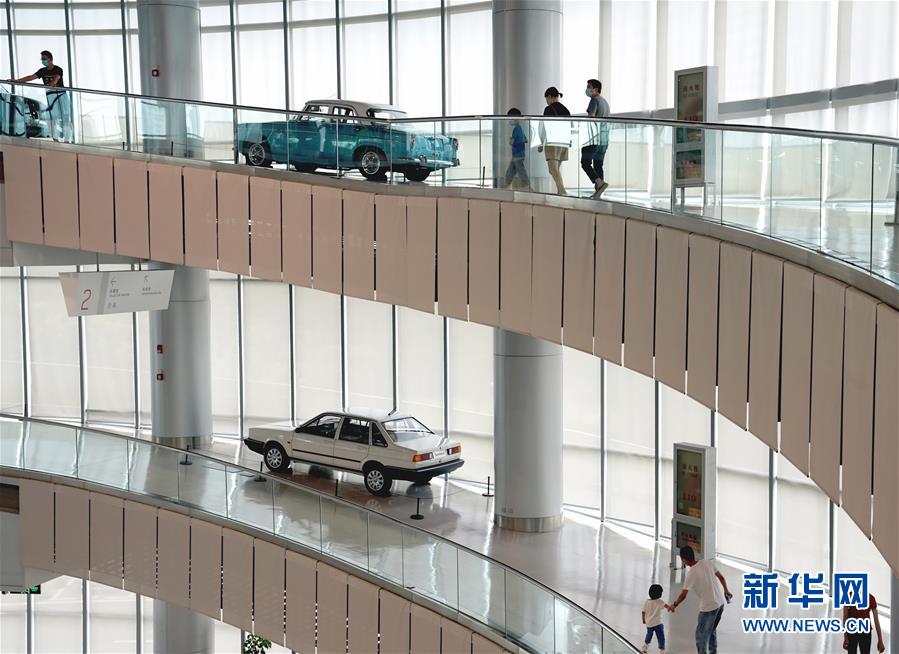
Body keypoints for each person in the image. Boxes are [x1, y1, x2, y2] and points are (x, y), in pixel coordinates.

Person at [669, 546, 733, 654]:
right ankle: (713, 651)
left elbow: (683, 595)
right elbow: (721, 577)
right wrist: (726, 590)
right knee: (711, 630)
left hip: (708, 608)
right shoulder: (707, 562)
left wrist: (674, 605)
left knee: (701, 637)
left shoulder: (691, 573)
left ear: (683, 559)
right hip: (720, 604)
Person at [9, 51, 71, 142]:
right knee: (54, 116)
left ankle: (67, 138)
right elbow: (31, 77)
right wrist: (17, 81)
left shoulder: (58, 69)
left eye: (44, 59)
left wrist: (53, 82)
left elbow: (57, 77)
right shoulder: (42, 71)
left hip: (61, 94)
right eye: (42, 59)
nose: (43, 61)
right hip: (51, 95)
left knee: (65, 115)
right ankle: (55, 138)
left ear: (50, 59)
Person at [537, 86, 571, 195]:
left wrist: (541, 142)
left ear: (550, 96)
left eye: (546, 98)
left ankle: (562, 190)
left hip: (553, 142)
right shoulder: (566, 109)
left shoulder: (549, 109)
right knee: (555, 169)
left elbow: (546, 127)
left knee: (552, 169)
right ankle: (560, 190)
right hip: (564, 142)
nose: (546, 101)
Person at [582, 78, 611, 198]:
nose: (587, 89)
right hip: (604, 139)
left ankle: (599, 183)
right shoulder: (605, 102)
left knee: (585, 163)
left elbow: (591, 118)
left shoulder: (594, 100)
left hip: (594, 138)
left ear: (596, 89)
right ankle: (598, 192)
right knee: (598, 165)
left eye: (589, 87)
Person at [503, 108, 529, 189]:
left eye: (510, 118)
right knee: (509, 174)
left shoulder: (516, 129)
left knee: (521, 173)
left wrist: (511, 140)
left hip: (517, 155)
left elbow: (512, 142)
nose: (509, 120)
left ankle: (529, 188)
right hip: (518, 154)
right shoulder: (520, 128)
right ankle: (506, 189)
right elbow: (526, 140)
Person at [642, 583, 671, 653]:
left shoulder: (647, 602)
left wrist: (643, 620)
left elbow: (643, 612)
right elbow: (666, 606)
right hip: (658, 623)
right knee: (661, 636)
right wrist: (670, 608)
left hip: (649, 623)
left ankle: (645, 645)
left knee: (649, 635)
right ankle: (662, 649)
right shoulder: (660, 601)